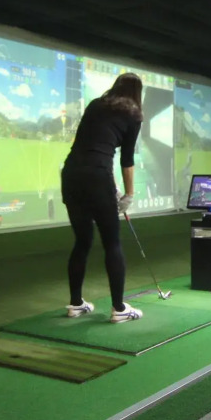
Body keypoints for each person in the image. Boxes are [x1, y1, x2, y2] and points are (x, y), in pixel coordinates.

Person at [60, 73, 144, 323]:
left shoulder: (95, 104)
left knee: (82, 241)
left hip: (71, 174)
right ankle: (119, 308)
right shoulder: (134, 115)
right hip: (97, 177)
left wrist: (111, 186)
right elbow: (126, 160)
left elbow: (91, 146)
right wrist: (128, 194)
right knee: (112, 243)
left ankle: (76, 304)